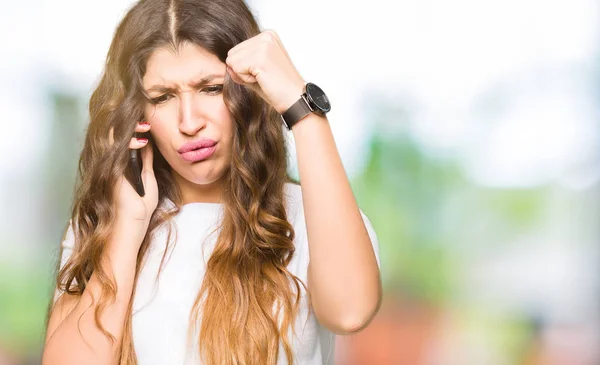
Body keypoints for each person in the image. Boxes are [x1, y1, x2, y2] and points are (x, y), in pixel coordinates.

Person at [42, 0, 382, 364]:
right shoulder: (110, 222)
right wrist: (128, 226)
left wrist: (301, 108)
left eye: (211, 88)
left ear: (249, 91)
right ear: (138, 112)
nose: (189, 122)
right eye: (163, 96)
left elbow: (350, 312)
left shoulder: (309, 216)